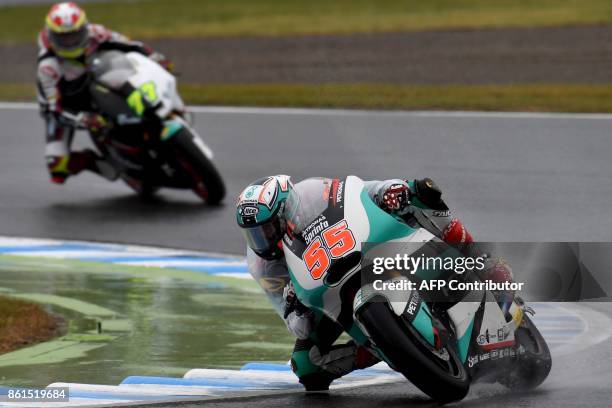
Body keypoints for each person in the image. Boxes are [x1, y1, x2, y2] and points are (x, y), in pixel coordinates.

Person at [235, 175, 514, 391]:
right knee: (307, 367)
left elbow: (359, 192)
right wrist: (295, 306)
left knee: (420, 195)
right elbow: (297, 326)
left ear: (286, 211)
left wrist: (392, 191)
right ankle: (385, 348)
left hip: (361, 251)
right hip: (324, 293)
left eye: (267, 228)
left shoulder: (310, 194)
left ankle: (485, 262)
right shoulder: (263, 265)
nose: (263, 240)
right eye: (254, 234)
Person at [37, 2, 173, 184]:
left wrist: (156, 58)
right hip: (68, 105)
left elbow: (131, 45)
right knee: (57, 167)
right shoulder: (47, 67)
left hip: (100, 79)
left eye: (75, 35)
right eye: (64, 38)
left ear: (84, 28)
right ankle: (99, 161)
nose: (70, 42)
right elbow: (54, 108)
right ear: (52, 36)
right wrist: (83, 119)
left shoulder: (97, 33)